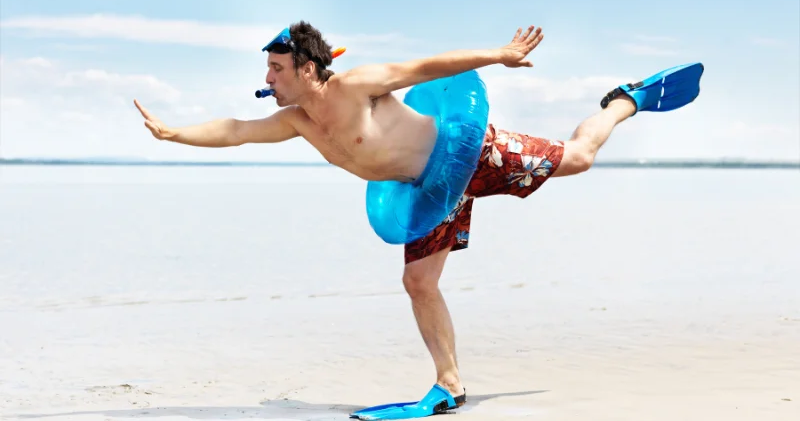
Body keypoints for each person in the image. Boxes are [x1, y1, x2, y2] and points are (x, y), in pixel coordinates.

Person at [132, 21, 653, 413]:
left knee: (580, 158)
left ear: (307, 69)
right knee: (418, 282)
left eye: (276, 68)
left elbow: (425, 69)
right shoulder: (297, 122)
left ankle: (622, 102)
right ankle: (449, 385)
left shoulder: (357, 86)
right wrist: (176, 133)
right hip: (430, 191)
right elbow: (237, 129)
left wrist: (501, 54)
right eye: (267, 69)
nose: (268, 78)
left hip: (471, 156)